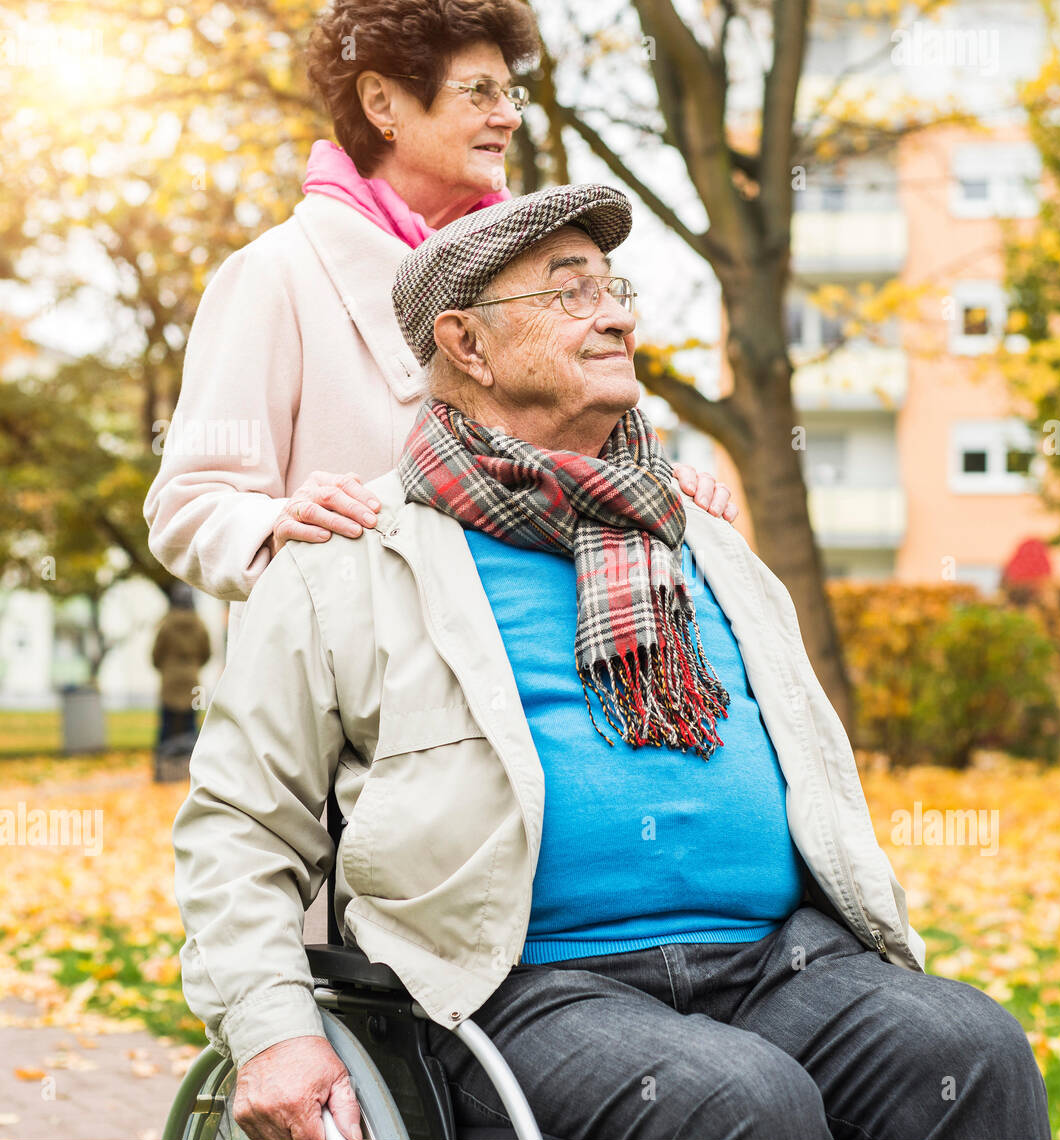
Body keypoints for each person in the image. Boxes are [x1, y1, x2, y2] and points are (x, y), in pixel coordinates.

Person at [170, 183, 1052, 1140]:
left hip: (780, 963)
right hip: (522, 993)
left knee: (972, 1048)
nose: (617, 313)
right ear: (466, 344)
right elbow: (240, 826)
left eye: (615, 287)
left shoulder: (704, 537)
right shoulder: (346, 559)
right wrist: (271, 1032)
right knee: (739, 1103)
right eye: (569, 291)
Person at [142, 0, 735, 663]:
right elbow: (189, 506)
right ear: (382, 103)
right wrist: (277, 523)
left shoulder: (546, 276)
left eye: (510, 93)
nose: (508, 115)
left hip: (540, 692)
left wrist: (648, 483)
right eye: (480, 91)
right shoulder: (273, 276)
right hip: (358, 719)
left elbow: (570, 467)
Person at [151, 582, 211, 745]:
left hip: (170, 679)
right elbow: (206, 654)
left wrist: (164, 667)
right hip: (192, 679)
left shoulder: (166, 625)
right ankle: (192, 765)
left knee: (167, 724)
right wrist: (193, 665)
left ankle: (163, 764)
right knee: (191, 724)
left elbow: (156, 654)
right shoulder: (200, 626)